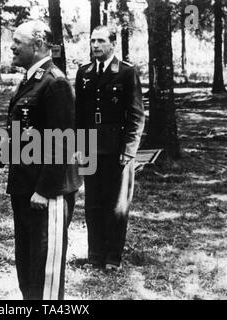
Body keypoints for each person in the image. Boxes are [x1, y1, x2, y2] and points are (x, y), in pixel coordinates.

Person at [4, 20, 82, 300]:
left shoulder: (55, 82)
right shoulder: (31, 79)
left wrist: (44, 191)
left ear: (37, 46)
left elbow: (63, 141)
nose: (11, 46)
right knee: (27, 265)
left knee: (45, 270)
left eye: (17, 42)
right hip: (26, 187)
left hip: (47, 192)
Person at [75, 25, 145, 271]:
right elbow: (79, 114)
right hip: (90, 148)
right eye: (92, 41)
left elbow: (136, 115)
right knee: (93, 203)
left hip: (117, 150)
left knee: (116, 206)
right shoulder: (84, 73)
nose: (95, 45)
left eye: (101, 41)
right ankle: (94, 256)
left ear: (113, 44)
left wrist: (129, 150)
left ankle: (113, 258)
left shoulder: (126, 72)